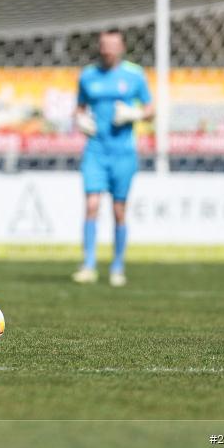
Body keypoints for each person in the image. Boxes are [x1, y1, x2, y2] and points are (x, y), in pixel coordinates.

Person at [73, 29, 154, 287]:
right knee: (92, 205)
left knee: (119, 210)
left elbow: (151, 109)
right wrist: (80, 120)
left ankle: (117, 266)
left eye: (112, 45)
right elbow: (79, 108)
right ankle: (88, 265)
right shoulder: (87, 75)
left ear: (121, 48)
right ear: (99, 47)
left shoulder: (134, 75)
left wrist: (134, 114)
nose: (108, 50)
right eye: (104, 45)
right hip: (95, 150)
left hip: (123, 153)